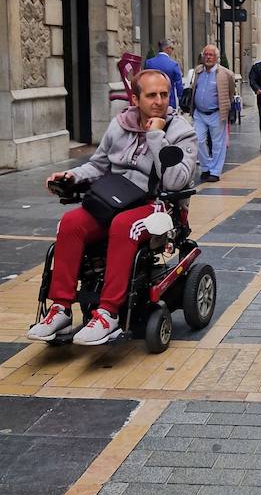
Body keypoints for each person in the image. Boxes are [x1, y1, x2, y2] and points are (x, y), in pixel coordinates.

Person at [28, 70, 197, 346]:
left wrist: (156, 137)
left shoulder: (181, 132)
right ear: (134, 98)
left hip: (154, 204)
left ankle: (108, 314)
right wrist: (72, 176)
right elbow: (98, 165)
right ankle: (60, 308)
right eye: (151, 95)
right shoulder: (120, 125)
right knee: (71, 223)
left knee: (124, 226)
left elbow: (176, 181)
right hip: (114, 199)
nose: (159, 101)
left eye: (164, 95)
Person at [190, 45, 235, 183]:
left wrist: (226, 108)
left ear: (216, 57)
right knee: (198, 140)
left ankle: (215, 171)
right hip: (199, 113)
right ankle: (206, 167)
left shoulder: (226, 74)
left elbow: (230, 92)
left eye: (211, 55)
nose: (208, 57)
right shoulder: (198, 71)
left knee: (217, 144)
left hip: (216, 113)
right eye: (206, 55)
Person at [144, 38, 184, 110]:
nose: (172, 51)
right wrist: (181, 98)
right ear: (167, 48)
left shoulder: (149, 62)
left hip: (151, 98)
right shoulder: (173, 64)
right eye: (172, 48)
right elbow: (179, 85)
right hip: (169, 100)